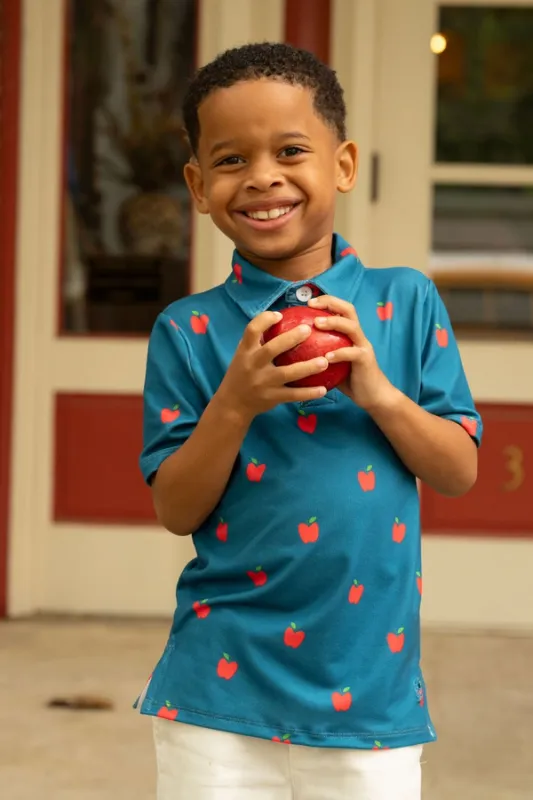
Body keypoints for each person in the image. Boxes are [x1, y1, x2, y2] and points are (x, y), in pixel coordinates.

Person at [135, 42, 482, 800]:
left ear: (343, 166)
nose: (261, 176)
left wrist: (379, 393)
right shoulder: (186, 331)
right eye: (230, 160)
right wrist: (235, 402)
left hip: (368, 698)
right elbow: (175, 508)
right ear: (197, 186)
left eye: (291, 150)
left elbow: (457, 471)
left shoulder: (404, 302)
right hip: (217, 693)